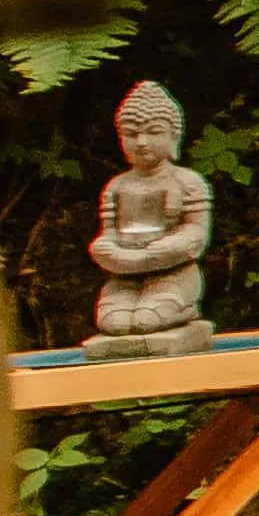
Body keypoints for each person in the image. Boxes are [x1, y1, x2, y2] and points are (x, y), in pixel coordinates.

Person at [87, 79, 214, 345]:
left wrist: (162, 249)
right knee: (114, 322)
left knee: (147, 319)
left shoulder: (187, 183)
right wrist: (107, 251)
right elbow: (107, 235)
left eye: (153, 132)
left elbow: (197, 233)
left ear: (173, 136)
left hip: (174, 274)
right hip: (124, 276)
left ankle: (183, 308)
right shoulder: (117, 187)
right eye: (132, 133)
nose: (141, 142)